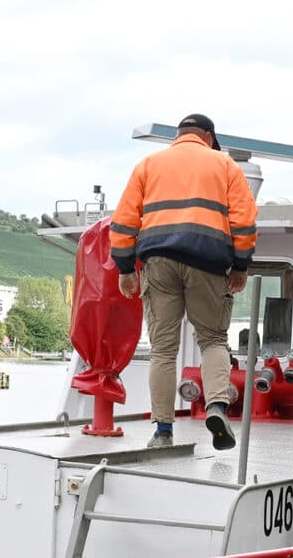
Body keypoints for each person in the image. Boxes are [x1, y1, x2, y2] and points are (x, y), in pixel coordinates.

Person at [110, 114, 258, 450]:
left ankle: (163, 430)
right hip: (208, 260)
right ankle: (217, 407)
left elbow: (123, 222)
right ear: (208, 136)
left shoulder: (148, 165)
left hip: (158, 262)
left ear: (179, 136)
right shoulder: (224, 164)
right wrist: (240, 265)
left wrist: (125, 269)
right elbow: (245, 221)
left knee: (163, 349)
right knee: (213, 339)